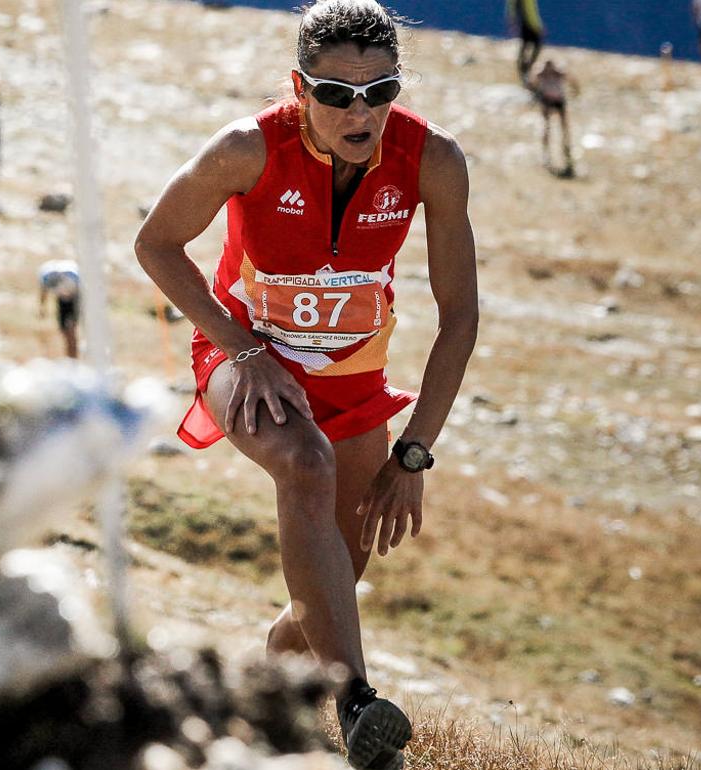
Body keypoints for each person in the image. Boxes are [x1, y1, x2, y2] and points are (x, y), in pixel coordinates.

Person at [134, 2, 478, 768]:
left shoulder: (433, 160)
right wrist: (237, 344)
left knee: (330, 586)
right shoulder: (244, 149)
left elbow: (460, 317)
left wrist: (415, 452)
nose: (361, 111)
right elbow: (155, 243)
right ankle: (357, 700)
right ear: (299, 88)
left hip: (355, 382)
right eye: (335, 94)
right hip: (246, 361)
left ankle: (270, 679)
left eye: (380, 90)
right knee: (305, 464)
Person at [528, 59, 577, 177]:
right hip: (548, 101)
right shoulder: (541, 74)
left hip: (558, 100)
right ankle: (547, 152)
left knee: (563, 126)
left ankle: (566, 149)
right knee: (547, 127)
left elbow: (572, 80)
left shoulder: (558, 73)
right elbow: (532, 83)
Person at [38, 259, 81, 359]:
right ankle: (71, 357)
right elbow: (43, 292)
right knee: (64, 330)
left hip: (75, 298)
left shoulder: (73, 276)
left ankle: (73, 356)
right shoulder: (46, 277)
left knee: (71, 330)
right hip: (63, 299)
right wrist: (42, 307)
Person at [507, 0, 544, 84]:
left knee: (528, 47)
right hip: (526, 24)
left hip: (529, 24)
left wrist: (538, 25)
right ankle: (524, 69)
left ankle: (525, 68)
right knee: (528, 46)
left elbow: (533, 11)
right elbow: (514, 8)